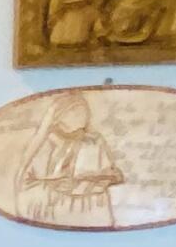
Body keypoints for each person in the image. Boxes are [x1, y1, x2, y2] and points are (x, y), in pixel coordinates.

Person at [17, 94, 121, 229]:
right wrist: (57, 184)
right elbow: (30, 182)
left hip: (91, 204)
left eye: (85, 112)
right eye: (76, 112)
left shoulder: (94, 140)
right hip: (57, 206)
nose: (84, 116)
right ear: (61, 116)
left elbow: (115, 175)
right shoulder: (46, 142)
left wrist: (94, 177)